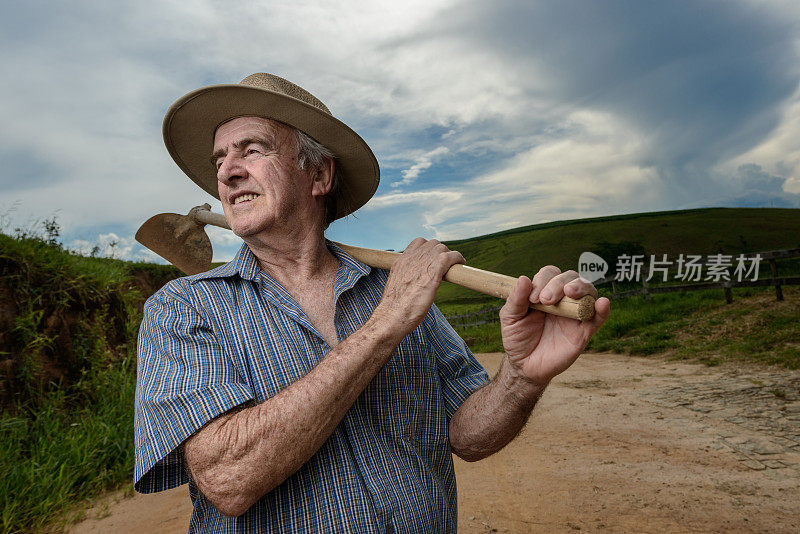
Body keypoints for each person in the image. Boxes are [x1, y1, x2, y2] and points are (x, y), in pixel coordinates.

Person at [134, 73, 610, 532]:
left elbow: (466, 434)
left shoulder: (394, 288)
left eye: (252, 150)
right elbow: (227, 481)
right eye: (220, 161)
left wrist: (522, 378)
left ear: (318, 174)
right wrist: (386, 324)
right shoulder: (183, 308)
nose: (228, 172)